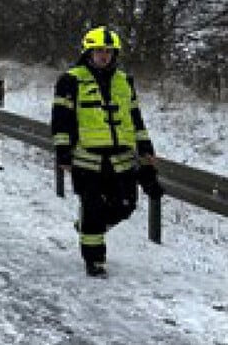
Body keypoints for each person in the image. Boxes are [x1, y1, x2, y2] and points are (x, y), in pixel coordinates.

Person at [51, 26, 162, 278]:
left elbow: (135, 117)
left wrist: (145, 147)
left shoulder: (125, 81)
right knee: (92, 208)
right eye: (99, 50)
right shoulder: (71, 79)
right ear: (89, 51)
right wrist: (63, 153)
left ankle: (89, 227)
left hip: (121, 159)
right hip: (86, 160)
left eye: (109, 51)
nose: (104, 55)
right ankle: (95, 261)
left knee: (126, 205)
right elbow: (61, 119)